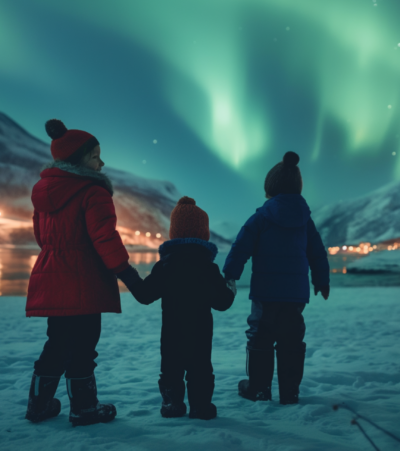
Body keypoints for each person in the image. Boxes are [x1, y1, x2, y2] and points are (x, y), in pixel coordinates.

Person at [25, 119, 141, 426]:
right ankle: (85, 408)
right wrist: (128, 275)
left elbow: (42, 239)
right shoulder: (93, 191)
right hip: (85, 281)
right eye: (95, 156)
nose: (101, 162)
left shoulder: (43, 193)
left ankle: (38, 405)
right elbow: (104, 238)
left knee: (57, 342)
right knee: (84, 347)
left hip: (53, 277)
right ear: (78, 160)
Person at [223, 151, 330, 405]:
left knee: (260, 336)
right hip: (295, 295)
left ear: (270, 187)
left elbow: (241, 246)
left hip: (265, 293)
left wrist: (230, 275)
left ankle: (258, 388)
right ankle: (289, 391)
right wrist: (322, 280)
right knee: (292, 339)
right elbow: (317, 252)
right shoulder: (305, 220)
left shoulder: (262, 216)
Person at [120, 196, 236, 420]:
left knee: (171, 368)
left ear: (174, 232)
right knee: (200, 369)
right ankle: (201, 407)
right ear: (204, 233)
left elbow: (145, 296)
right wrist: (230, 284)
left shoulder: (165, 266)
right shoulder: (208, 268)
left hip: (171, 332)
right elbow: (223, 303)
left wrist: (127, 274)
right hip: (201, 332)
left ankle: (172, 405)